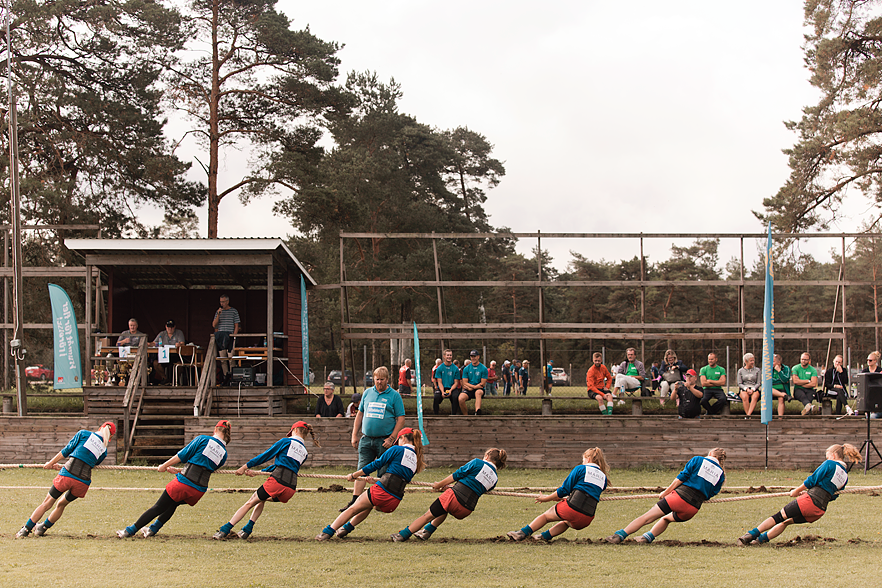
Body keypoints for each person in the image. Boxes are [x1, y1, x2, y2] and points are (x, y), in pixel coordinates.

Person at [117, 420, 231, 538]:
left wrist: (164, 466)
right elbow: (204, 467)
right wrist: (179, 471)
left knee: (158, 507)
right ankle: (152, 529)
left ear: (215, 429)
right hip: (199, 491)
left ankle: (129, 531)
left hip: (183, 484)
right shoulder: (224, 453)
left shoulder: (203, 439)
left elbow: (182, 455)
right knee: (173, 503)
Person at [737, 443, 862, 545]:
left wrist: (796, 491)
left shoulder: (830, 464)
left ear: (833, 455)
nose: (827, 459)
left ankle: (750, 535)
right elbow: (833, 495)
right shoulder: (845, 476)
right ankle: (759, 541)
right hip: (819, 510)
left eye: (828, 456)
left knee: (778, 517)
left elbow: (812, 480)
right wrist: (809, 492)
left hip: (809, 502)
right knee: (786, 522)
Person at [213, 421, 319, 540]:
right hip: (290, 489)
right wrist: (260, 472)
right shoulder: (305, 452)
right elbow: (284, 466)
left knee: (250, 502)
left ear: (294, 431)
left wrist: (245, 467)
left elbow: (266, 456)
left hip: (277, 482)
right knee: (261, 499)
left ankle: (224, 530)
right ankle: (246, 530)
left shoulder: (286, 441)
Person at [316, 428, 425, 541]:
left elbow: (377, 464)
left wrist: (355, 474)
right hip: (394, 501)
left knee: (352, 509)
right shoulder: (417, 459)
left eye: (398, 440)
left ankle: (327, 533)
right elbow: (398, 477)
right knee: (367, 505)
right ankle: (345, 529)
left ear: (402, 438)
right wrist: (376, 482)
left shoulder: (397, 449)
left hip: (381, 492)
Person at [15, 422, 116, 538]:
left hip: (67, 475)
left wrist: (50, 463)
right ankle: (42, 528)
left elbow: (66, 451)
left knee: (47, 503)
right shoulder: (104, 451)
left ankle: (26, 529)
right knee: (61, 504)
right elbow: (87, 462)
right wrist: (62, 466)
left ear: (100, 428)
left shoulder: (83, 434)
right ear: (110, 437)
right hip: (83, 483)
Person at [606, 448, 726, 544]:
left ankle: (619, 535)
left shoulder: (698, 460)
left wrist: (666, 492)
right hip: (692, 509)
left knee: (647, 517)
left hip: (677, 498)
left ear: (710, 453)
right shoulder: (721, 475)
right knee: (666, 518)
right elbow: (711, 493)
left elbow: (680, 478)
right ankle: (646, 538)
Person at [393, 448, 507, 541]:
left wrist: (439, 485)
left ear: (487, 456)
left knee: (427, 515)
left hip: (453, 498)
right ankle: (426, 532)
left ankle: (402, 535)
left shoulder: (477, 463)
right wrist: (452, 487)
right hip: (467, 509)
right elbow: (473, 487)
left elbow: (457, 475)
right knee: (443, 509)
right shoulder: (495, 479)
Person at [338, 366, 405, 512]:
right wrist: (354, 435)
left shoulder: (394, 396)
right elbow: (360, 415)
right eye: (377, 379)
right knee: (361, 470)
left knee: (384, 471)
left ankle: (379, 501)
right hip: (366, 439)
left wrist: (392, 438)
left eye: (382, 379)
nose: (379, 382)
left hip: (384, 441)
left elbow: (400, 419)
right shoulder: (368, 393)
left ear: (387, 380)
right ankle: (355, 501)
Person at [507, 447, 610, 542]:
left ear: (588, 459)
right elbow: (589, 491)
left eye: (583, 460)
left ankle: (521, 533)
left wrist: (545, 498)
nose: (582, 462)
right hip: (587, 518)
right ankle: (542, 537)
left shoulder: (580, 469)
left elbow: (564, 490)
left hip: (572, 509)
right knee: (566, 522)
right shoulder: (604, 477)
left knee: (546, 516)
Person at [212, 294, 240, 385]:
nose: (222, 303)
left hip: (230, 336)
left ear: (227, 302)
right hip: (221, 337)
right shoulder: (218, 312)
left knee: (231, 358)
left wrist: (234, 336)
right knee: (223, 359)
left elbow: (236, 325)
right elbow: (214, 325)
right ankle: (225, 377)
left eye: (223, 302)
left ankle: (233, 377)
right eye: (220, 302)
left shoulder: (234, 311)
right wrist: (218, 314)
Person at [150, 319, 186, 385]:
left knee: (180, 365)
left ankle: (175, 381)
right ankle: (165, 379)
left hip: (175, 356)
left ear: (174, 327)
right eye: (168, 327)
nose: (170, 329)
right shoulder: (162, 334)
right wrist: (149, 344)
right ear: (166, 327)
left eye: (172, 327)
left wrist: (179, 345)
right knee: (155, 363)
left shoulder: (179, 333)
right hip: (164, 355)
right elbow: (154, 343)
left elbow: (183, 344)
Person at [459, 349, 488, 415]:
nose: (473, 358)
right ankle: (466, 416)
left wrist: (472, 387)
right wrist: (474, 387)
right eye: (472, 356)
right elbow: (464, 382)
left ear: (478, 357)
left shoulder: (483, 368)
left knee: (478, 393)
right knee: (461, 398)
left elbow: (482, 384)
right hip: (470, 389)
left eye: (474, 356)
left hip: (478, 389)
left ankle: (477, 412)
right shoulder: (466, 368)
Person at [433, 349, 461, 415]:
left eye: (450, 355)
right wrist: (442, 392)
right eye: (447, 355)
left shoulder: (455, 368)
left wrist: (450, 390)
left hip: (452, 388)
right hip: (442, 388)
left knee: (455, 396)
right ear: (444, 356)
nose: (449, 357)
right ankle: (435, 416)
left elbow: (456, 382)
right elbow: (439, 382)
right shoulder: (439, 368)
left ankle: (453, 415)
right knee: (436, 397)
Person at [737, 353, 762, 417]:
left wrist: (753, 389)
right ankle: (748, 416)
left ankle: (748, 415)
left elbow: (758, 382)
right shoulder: (740, 371)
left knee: (755, 396)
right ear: (746, 361)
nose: (752, 362)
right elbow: (739, 383)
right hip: (744, 388)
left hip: (754, 388)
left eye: (753, 360)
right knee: (745, 397)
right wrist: (746, 389)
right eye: (751, 361)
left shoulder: (757, 370)